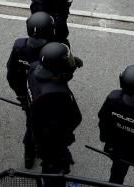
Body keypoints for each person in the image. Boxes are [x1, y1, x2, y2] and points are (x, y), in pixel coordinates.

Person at [6, 12, 56, 169]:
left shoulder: (19, 46)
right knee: (41, 127)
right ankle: (36, 153)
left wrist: (21, 94)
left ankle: (29, 155)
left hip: (28, 96)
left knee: (32, 124)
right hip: (47, 98)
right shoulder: (51, 51)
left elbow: (11, 74)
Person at [27, 42, 82, 181]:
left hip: (37, 121)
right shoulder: (58, 95)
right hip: (51, 139)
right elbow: (74, 119)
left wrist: (73, 63)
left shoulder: (34, 68)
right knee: (53, 167)